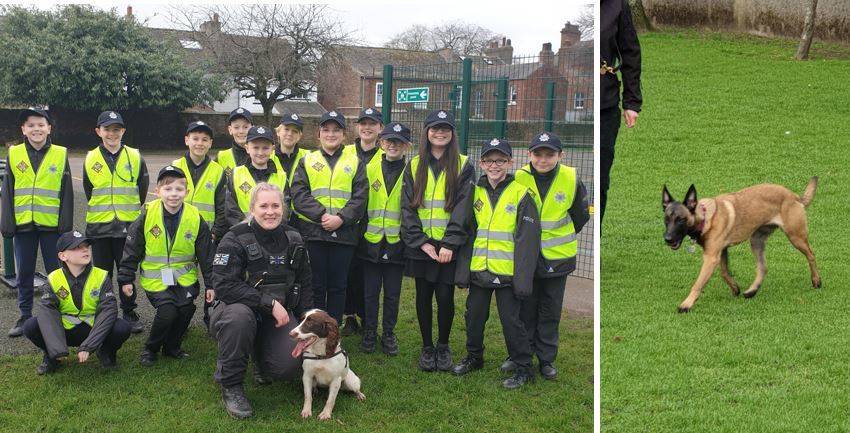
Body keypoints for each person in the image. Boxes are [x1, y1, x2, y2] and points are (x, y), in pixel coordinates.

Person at [210, 182, 313, 419]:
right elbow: (224, 285)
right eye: (263, 206)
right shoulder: (234, 237)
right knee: (240, 318)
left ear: (283, 208)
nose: (270, 211)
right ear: (252, 208)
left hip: (276, 318)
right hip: (235, 314)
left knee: (287, 366)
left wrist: (308, 325)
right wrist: (269, 304)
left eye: (275, 205)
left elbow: (306, 284)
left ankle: (260, 359)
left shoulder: (294, 238)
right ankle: (231, 383)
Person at [451, 138, 540, 389]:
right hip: (480, 270)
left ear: (510, 162)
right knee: (474, 317)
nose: (495, 165)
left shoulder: (521, 193)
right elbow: (467, 232)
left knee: (512, 322)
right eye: (490, 160)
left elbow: (527, 241)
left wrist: (522, 279)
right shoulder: (474, 191)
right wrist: (464, 271)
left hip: (507, 273)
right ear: (482, 163)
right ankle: (474, 357)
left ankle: (524, 367)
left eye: (500, 160)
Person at [507, 132, 589, 380]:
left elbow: (580, 216)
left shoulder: (571, 178)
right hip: (526, 258)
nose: (543, 160)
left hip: (558, 257)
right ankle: (522, 354)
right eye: (538, 154)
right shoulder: (518, 177)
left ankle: (546, 359)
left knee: (550, 310)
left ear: (560, 156)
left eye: (549, 154)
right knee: (525, 309)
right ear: (529, 154)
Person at [117, 166, 214, 367]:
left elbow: (206, 254)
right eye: (168, 189)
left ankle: (171, 346)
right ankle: (150, 348)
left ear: (186, 192)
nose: (173, 194)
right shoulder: (147, 213)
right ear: (157, 191)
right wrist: (126, 278)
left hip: (185, 279)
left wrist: (211, 284)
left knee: (186, 310)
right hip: (156, 279)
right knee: (168, 312)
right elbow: (132, 246)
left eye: (179, 189)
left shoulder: (195, 216)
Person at [401, 110, 474, 372]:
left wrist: (449, 244)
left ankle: (443, 346)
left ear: (452, 133)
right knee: (423, 296)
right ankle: (426, 347)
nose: (439, 133)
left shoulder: (464, 165)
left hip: (447, 247)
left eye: (445, 128)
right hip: (423, 246)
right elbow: (407, 208)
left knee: (444, 297)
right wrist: (421, 242)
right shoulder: (413, 165)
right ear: (426, 132)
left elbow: (463, 209)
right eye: (434, 128)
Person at [2, 107, 73, 337]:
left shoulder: (61, 154)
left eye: (41, 124)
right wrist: (7, 223)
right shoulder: (14, 154)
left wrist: (65, 226)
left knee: (57, 273)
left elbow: (67, 193)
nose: (36, 129)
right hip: (24, 226)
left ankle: (59, 313)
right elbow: (8, 192)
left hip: (52, 226)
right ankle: (24, 315)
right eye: (30, 125)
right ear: (23, 129)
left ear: (49, 128)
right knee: (24, 272)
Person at [291, 110, 368, 324]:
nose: (331, 134)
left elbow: (361, 197)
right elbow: (299, 194)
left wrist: (341, 218)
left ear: (344, 134)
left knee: (338, 286)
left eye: (336, 130)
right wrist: (323, 215)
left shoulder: (355, 162)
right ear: (318, 134)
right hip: (314, 233)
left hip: (344, 234)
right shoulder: (307, 160)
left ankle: (333, 329)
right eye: (326, 130)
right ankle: (316, 328)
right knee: (316, 285)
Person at [22, 230, 131, 374]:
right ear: (63, 256)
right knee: (31, 326)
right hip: (64, 331)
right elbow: (47, 311)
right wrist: (57, 348)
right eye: (77, 247)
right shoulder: (54, 278)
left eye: (86, 246)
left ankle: (105, 352)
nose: (85, 249)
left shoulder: (101, 275)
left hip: (92, 330)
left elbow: (108, 310)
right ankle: (52, 356)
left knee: (122, 327)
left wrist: (89, 345)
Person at [82, 110, 150, 334]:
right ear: (98, 131)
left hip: (127, 228)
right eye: (107, 129)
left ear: (123, 131)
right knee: (102, 274)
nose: (112, 133)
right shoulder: (90, 158)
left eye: (116, 129)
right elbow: (88, 190)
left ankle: (129, 311)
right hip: (99, 227)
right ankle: (104, 312)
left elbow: (142, 189)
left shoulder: (135, 156)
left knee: (126, 272)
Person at [357, 122, 410, 355]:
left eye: (398, 142)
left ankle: (388, 333)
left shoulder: (412, 172)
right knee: (370, 292)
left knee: (392, 293)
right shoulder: (368, 169)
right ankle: (369, 331)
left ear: (406, 146)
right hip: (371, 242)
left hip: (397, 243)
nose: (393, 145)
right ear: (381, 143)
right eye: (389, 140)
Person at [171, 120, 228, 327]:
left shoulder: (218, 171)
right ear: (187, 140)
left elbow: (222, 206)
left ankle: (209, 316)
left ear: (211, 143)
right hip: (180, 235)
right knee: (181, 275)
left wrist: (215, 232)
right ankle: (178, 316)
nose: (199, 143)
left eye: (205, 139)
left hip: (208, 236)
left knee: (212, 278)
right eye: (195, 138)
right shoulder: (175, 167)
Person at [341, 107, 384, 337]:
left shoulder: (385, 153)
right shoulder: (345, 151)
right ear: (358, 127)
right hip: (348, 220)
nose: (367, 128)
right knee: (349, 271)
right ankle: (349, 317)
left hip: (373, 222)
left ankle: (368, 318)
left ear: (380, 129)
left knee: (369, 274)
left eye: (373, 124)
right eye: (363, 123)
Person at [600, 0, 642, 225]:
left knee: (600, 179)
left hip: (606, 105)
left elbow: (630, 52)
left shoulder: (617, 5)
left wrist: (632, 102)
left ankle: (597, 243)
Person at [225, 126, 289, 226]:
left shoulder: (282, 177)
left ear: (272, 149)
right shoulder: (235, 174)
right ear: (247, 148)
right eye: (255, 147)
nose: (260, 152)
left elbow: (285, 210)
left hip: (273, 234)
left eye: (265, 148)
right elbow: (231, 210)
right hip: (243, 234)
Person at [275, 113, 310, 225]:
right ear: (278, 132)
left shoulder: (309, 157)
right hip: (275, 215)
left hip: (301, 217)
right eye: (286, 129)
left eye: (295, 131)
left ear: (300, 135)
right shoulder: (267, 157)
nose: (290, 134)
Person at [217, 108, 253, 178]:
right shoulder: (221, 157)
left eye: (245, 127)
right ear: (230, 130)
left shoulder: (263, 155)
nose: (241, 131)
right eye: (236, 127)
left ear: (252, 129)